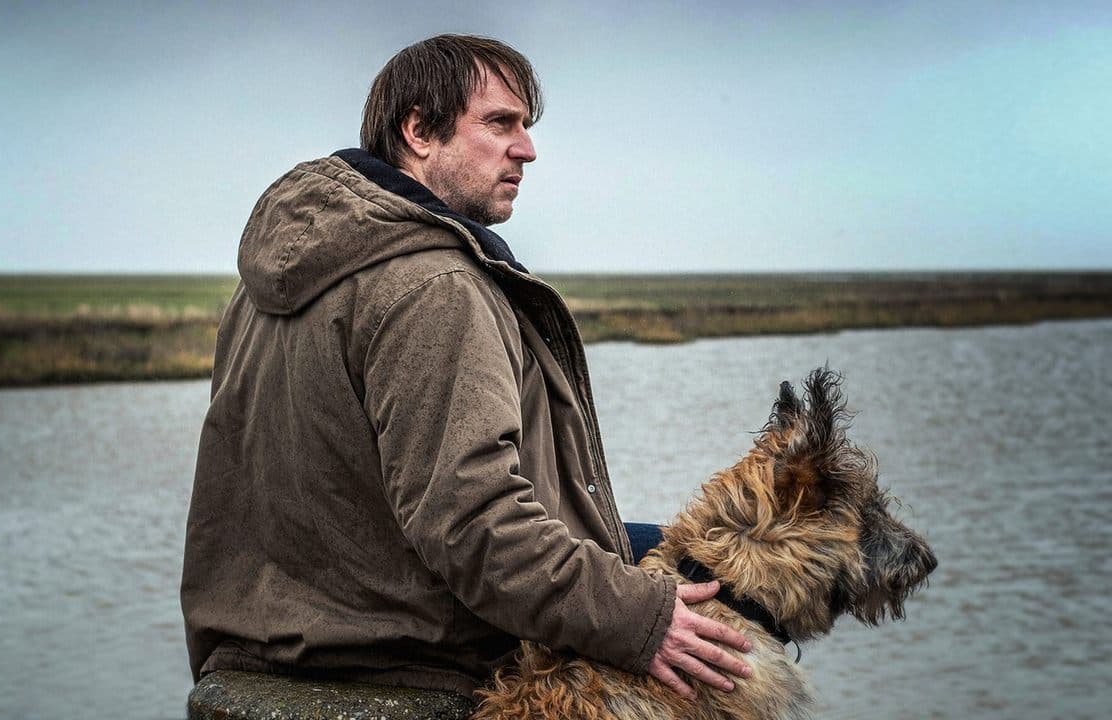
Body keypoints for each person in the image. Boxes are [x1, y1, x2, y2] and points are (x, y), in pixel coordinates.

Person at [180, 34, 752, 702]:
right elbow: (471, 526)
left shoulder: (269, 282)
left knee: (672, 548)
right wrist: (640, 622)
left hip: (280, 626)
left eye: (526, 126)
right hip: (405, 650)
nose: (526, 149)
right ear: (419, 131)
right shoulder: (435, 288)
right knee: (729, 594)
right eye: (500, 123)